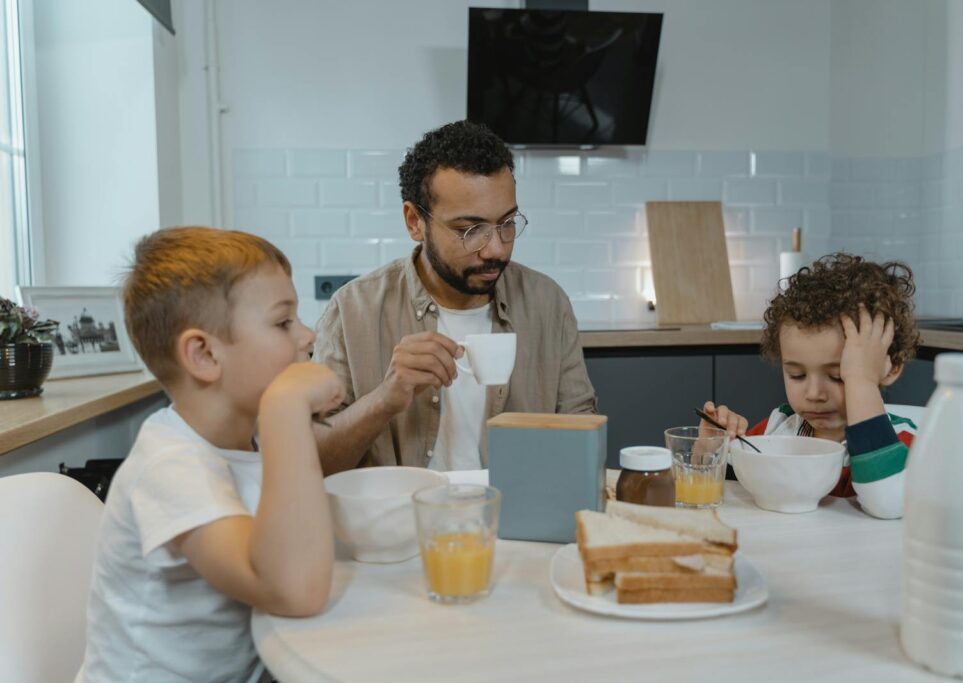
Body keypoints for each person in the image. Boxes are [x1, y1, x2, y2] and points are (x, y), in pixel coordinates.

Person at [78, 227, 341, 682]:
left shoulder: (247, 439)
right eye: (283, 323)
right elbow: (294, 590)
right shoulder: (171, 467)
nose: (308, 335)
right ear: (203, 354)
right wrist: (286, 406)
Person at [314, 120, 596, 474]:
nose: (495, 248)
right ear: (415, 221)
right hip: (401, 524)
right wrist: (384, 399)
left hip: (515, 522)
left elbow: (582, 440)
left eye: (507, 223)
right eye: (470, 230)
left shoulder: (547, 304)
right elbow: (315, 463)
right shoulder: (352, 310)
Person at [702, 253, 921, 519]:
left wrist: (862, 382)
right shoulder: (780, 427)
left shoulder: (904, 440)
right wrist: (711, 447)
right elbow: (728, 489)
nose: (814, 394)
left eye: (841, 376)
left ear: (891, 367)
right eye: (796, 375)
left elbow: (888, 502)